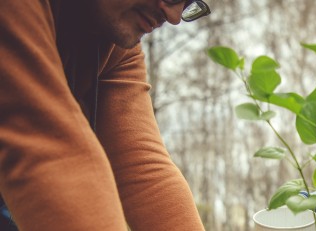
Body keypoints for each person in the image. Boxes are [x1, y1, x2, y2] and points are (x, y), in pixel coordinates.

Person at [0, 0, 211, 230]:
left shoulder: (115, 45)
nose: (174, 16)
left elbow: (144, 172)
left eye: (188, 3)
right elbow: (42, 147)